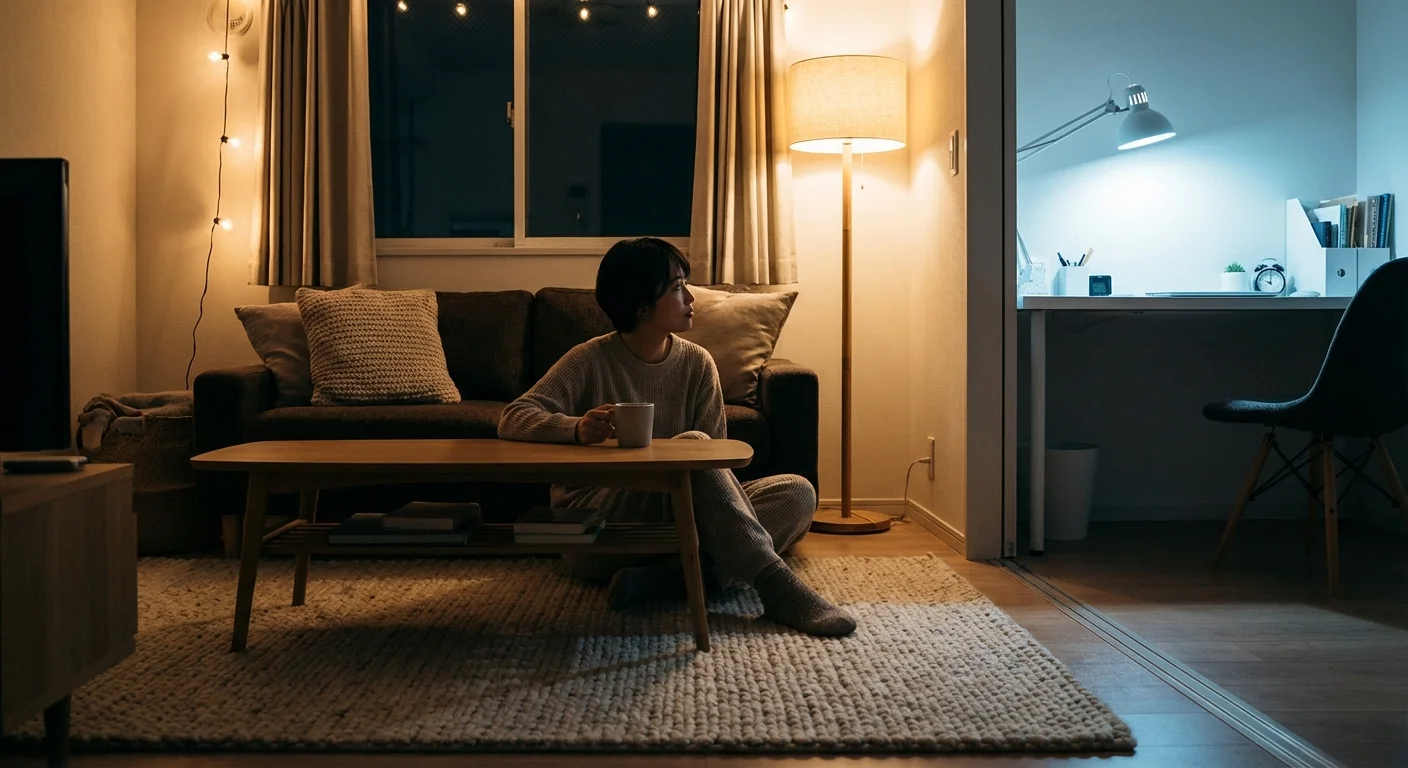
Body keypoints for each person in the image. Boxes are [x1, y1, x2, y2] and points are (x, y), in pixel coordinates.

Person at [497, 237, 856, 637]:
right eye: (676, 287)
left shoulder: (697, 363)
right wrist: (576, 427)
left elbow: (716, 467)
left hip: (680, 520)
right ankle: (773, 583)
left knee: (798, 491)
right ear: (641, 305)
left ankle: (669, 579)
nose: (690, 296)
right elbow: (514, 417)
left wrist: (719, 498)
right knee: (694, 446)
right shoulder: (589, 359)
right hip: (600, 524)